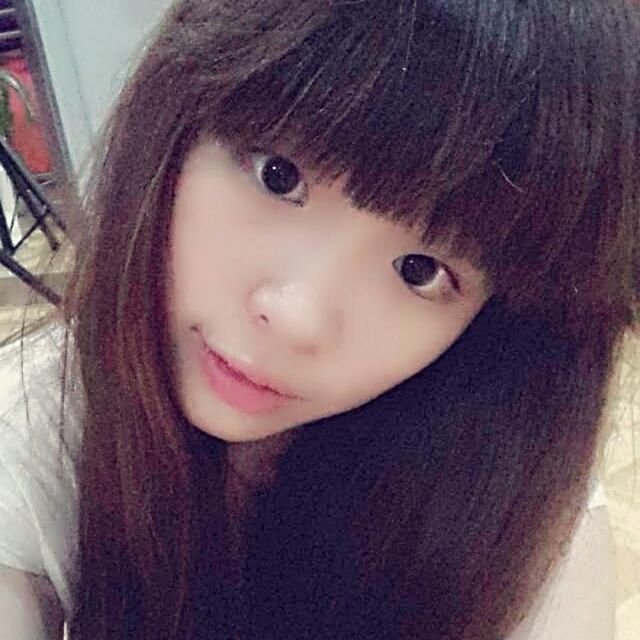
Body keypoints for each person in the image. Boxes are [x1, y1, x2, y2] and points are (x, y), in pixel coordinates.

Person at [0, 0, 638, 638]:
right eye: (278, 177)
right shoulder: (41, 419)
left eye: (420, 271)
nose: (296, 316)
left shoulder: (518, 512)